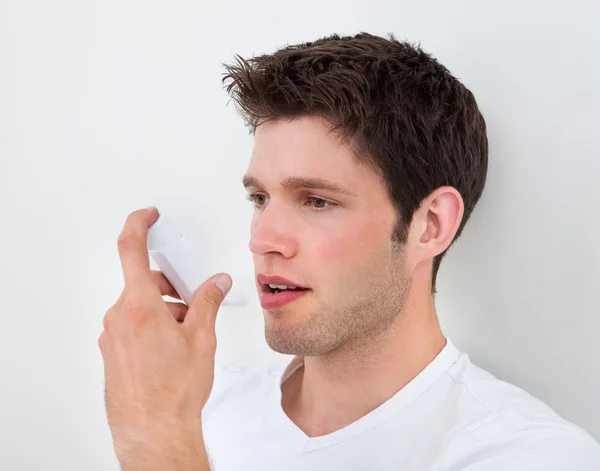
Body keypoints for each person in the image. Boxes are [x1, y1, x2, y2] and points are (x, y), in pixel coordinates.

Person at [99, 33, 600, 470]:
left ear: (430, 225)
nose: (262, 239)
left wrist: (158, 443)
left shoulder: (525, 454)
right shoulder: (206, 402)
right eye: (260, 198)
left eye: (317, 200)